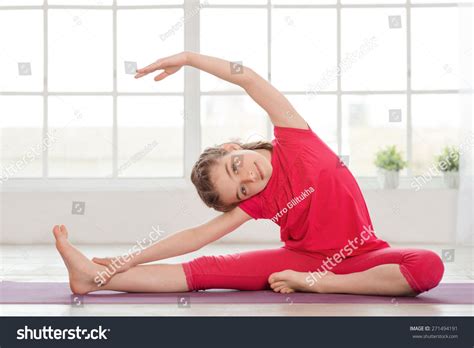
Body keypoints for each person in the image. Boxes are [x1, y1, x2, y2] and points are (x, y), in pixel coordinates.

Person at [53, 51, 444, 296]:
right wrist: (126, 260)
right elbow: (197, 238)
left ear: (231, 147)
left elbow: (248, 78)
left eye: (236, 166)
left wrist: (189, 58)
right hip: (301, 261)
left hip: (362, 257)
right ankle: (93, 279)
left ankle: (323, 285)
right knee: (206, 272)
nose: (250, 179)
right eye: (241, 190)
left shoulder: (295, 136)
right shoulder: (261, 199)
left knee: (428, 266)